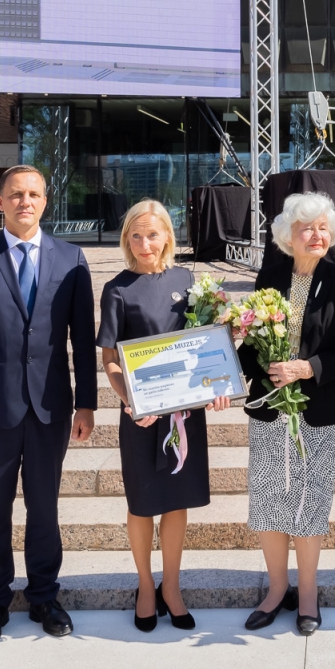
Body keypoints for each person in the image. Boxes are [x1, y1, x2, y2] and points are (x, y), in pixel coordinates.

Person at [0, 165, 96, 648]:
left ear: (45, 201)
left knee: (45, 508)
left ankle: (44, 596)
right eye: (15, 194)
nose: (24, 202)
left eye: (33, 194)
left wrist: (87, 404)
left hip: (51, 407)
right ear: (0, 201)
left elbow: (82, 343)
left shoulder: (72, 260)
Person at [99, 199, 230, 632]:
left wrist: (216, 384)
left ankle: (171, 586)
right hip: (140, 416)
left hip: (185, 415)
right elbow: (112, 360)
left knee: (175, 503)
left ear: (167, 237)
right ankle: (144, 586)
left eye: (151, 234)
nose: (143, 243)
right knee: (142, 505)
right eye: (135, 236)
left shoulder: (187, 280)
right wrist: (128, 399)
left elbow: (205, 344)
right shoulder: (117, 289)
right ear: (126, 240)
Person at [238, 193, 335, 636]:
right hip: (270, 406)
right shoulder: (269, 276)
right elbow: (252, 343)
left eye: (323, 228)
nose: (316, 235)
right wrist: (250, 366)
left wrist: (307, 368)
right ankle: (276, 590)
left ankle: (307, 593)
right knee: (271, 500)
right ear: (287, 236)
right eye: (306, 228)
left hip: (320, 407)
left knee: (309, 504)